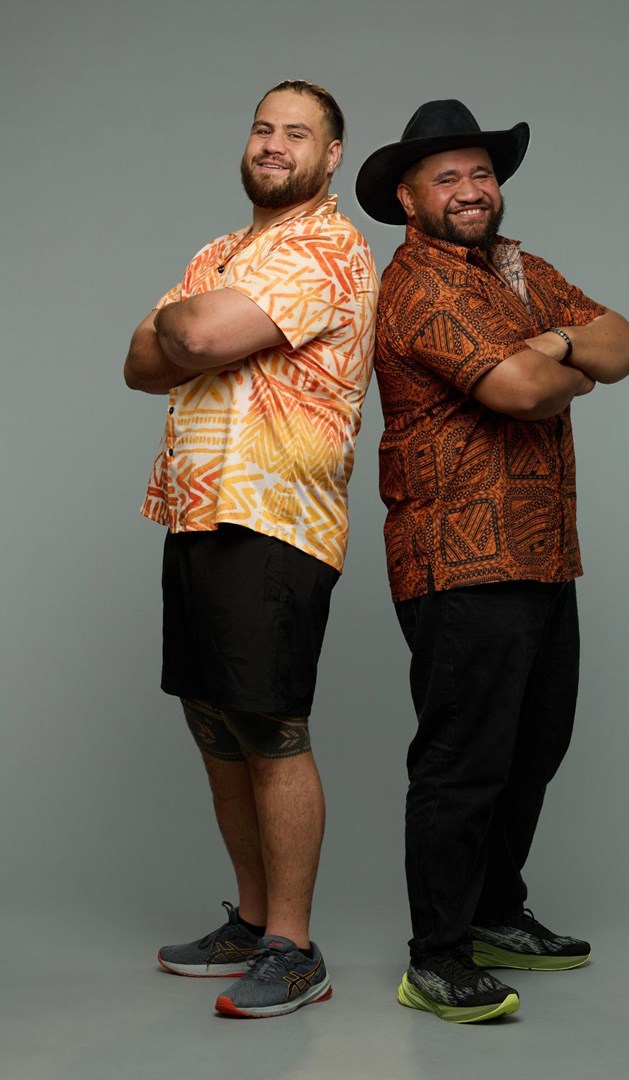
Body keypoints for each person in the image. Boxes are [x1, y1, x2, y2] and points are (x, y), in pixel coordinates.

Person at [355, 99, 629, 1024]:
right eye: (448, 178)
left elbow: (625, 343)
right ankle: (435, 957)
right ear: (409, 198)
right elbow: (518, 392)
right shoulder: (418, 285)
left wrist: (556, 340)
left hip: (543, 550)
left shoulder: (521, 269)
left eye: (482, 174)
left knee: (535, 746)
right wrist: (557, 360)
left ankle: (491, 913)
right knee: (464, 760)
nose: (472, 190)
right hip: (460, 561)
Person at [124, 80, 377, 1019]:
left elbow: (182, 331)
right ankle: (252, 917)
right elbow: (141, 365)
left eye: (298, 133)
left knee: (270, 728)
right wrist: (190, 331)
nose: (275, 145)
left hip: (276, 518)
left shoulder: (330, 246)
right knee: (214, 724)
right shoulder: (220, 251)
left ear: (333, 155)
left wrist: (190, 326)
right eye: (264, 128)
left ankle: (293, 947)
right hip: (196, 509)